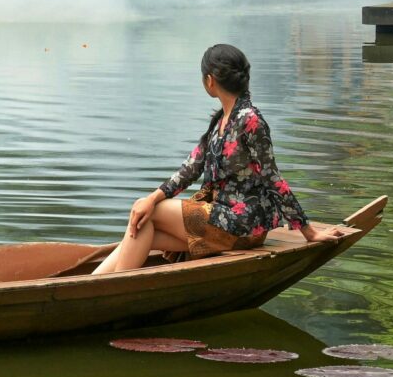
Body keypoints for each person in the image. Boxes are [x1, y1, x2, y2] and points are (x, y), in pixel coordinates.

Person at [94, 44, 314, 276]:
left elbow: (272, 178)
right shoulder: (221, 121)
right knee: (142, 227)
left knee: (150, 210)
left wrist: (308, 231)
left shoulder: (250, 120)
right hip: (222, 218)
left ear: (210, 80)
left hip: (244, 225)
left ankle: (107, 287)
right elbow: (190, 169)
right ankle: (95, 282)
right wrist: (151, 198)